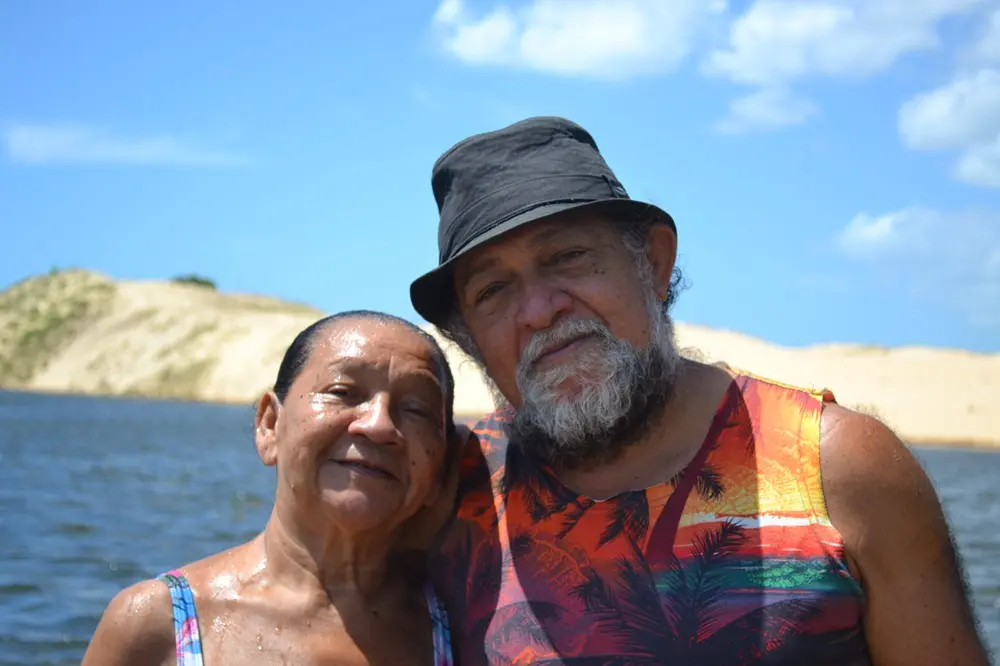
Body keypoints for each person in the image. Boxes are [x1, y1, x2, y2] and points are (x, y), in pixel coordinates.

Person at [408, 117, 992, 665]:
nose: (539, 309)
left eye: (569, 257)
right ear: (467, 338)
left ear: (654, 263)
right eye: (493, 290)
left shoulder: (836, 467)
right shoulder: (446, 494)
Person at [82, 310, 460, 666]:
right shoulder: (155, 625)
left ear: (440, 469)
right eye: (342, 391)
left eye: (417, 410)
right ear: (269, 425)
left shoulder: (467, 628)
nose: (378, 425)